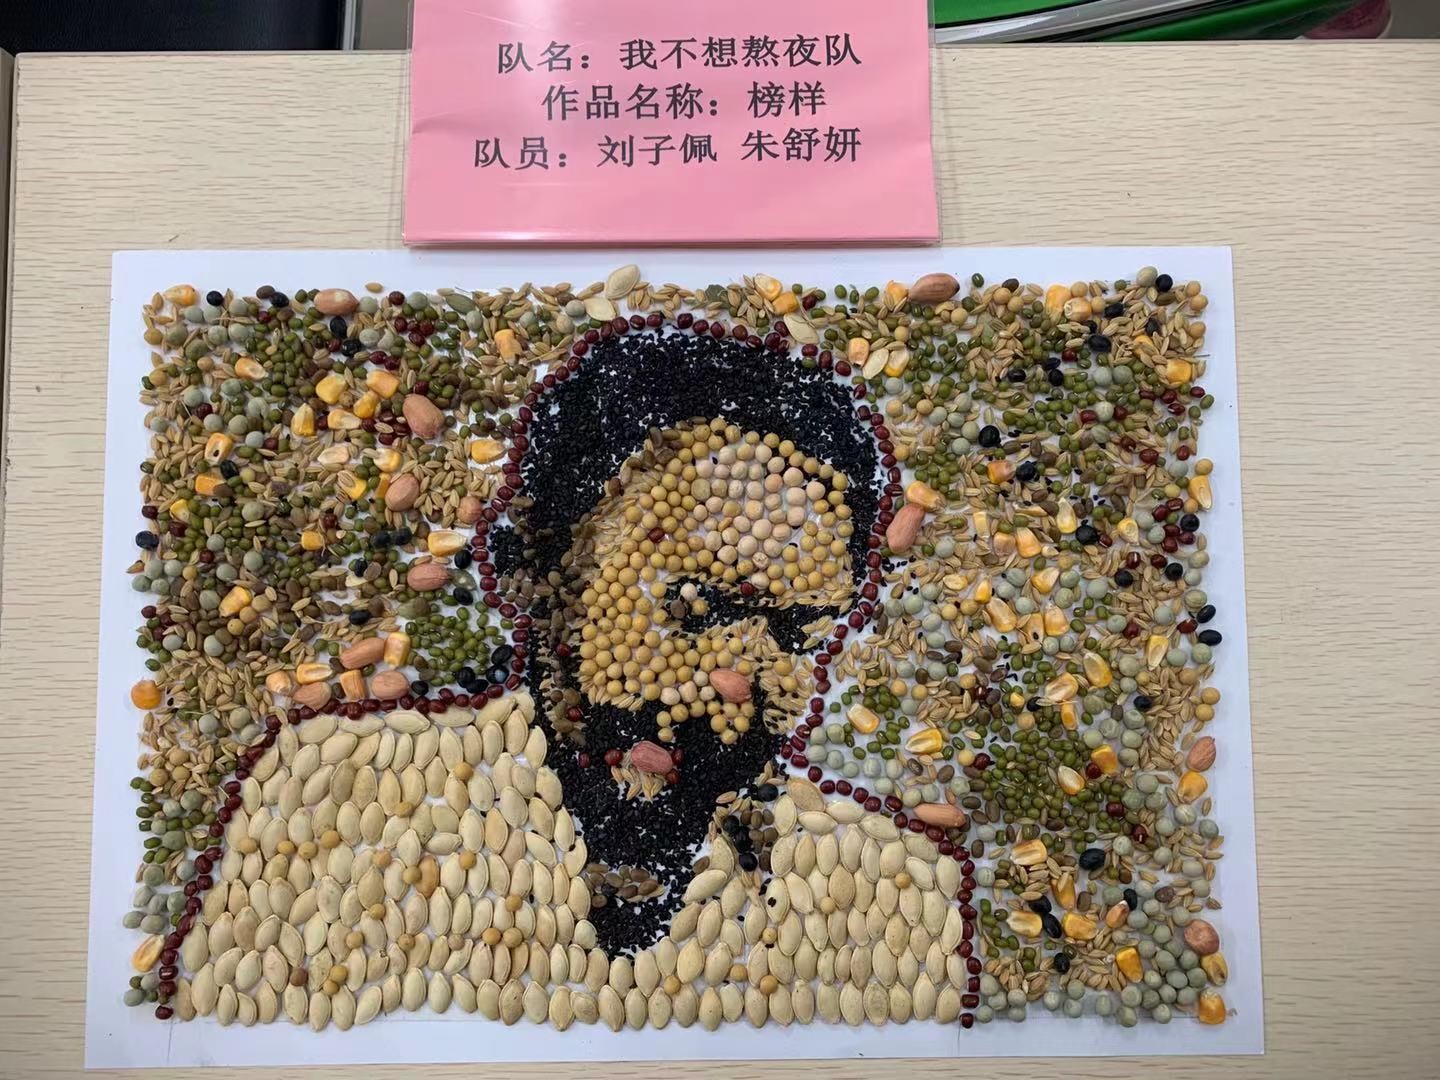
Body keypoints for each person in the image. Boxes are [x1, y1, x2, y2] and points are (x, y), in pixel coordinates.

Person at [497, 326, 880, 954]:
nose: (744, 679)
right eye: (693, 604)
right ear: (562, 582)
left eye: (796, 632)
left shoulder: (854, 899)